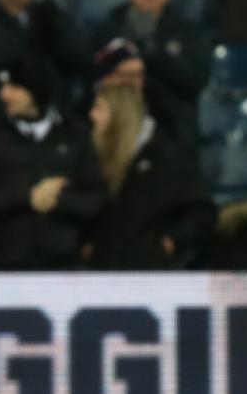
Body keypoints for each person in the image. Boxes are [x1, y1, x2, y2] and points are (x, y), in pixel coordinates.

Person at [0, 55, 106, 271]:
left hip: (65, 266)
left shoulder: (75, 134)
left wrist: (58, 200)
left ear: (35, 89)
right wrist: (29, 196)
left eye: (14, 86)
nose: (4, 94)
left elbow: (96, 199)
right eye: (3, 86)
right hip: (7, 268)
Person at [84, 84, 214, 270]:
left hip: (152, 278)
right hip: (102, 274)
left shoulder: (166, 157)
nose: (92, 115)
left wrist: (170, 243)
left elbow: (201, 211)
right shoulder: (97, 156)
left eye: (99, 108)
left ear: (121, 115)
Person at [88, 0, 211, 149]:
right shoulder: (107, 31)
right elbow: (91, 77)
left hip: (171, 130)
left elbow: (196, 80)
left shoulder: (187, 33)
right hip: (115, 125)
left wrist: (150, 55)